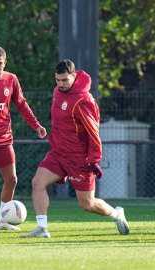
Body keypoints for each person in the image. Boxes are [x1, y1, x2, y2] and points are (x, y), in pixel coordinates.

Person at [19, 59, 130, 238]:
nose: (60, 84)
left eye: (64, 80)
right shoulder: (57, 92)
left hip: (79, 158)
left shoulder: (83, 100)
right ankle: (42, 229)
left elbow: (93, 131)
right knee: (37, 183)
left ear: (74, 76)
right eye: (57, 80)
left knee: (87, 204)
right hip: (58, 153)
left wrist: (94, 158)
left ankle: (117, 214)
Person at [0, 46, 47, 231]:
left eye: (0, 63)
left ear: (5, 63)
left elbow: (22, 104)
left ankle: (2, 220)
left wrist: (37, 125)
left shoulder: (11, 79)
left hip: (3, 138)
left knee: (12, 179)